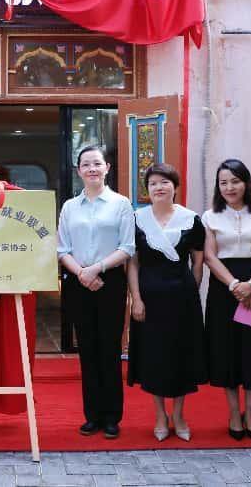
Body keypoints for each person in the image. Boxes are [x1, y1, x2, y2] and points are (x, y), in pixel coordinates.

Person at [58, 145, 134, 439]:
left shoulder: (121, 204)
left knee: (109, 349)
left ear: (107, 168)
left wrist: (97, 268)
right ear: (78, 171)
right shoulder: (70, 207)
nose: (92, 169)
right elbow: (62, 248)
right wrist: (82, 273)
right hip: (78, 282)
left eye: (97, 163)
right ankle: (92, 416)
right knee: (87, 351)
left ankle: (112, 417)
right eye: (86, 164)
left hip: (110, 281)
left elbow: (127, 247)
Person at [127, 163, 205, 442]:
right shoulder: (137, 219)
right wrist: (136, 299)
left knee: (181, 356)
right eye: (153, 183)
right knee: (155, 357)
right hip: (149, 298)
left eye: (165, 182)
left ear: (175, 186)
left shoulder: (191, 219)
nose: (159, 187)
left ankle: (179, 415)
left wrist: (191, 292)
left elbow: (198, 261)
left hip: (182, 297)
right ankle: (160, 415)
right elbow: (132, 263)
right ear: (147, 190)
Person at [202, 159, 251, 442]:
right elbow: (210, 257)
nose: (229, 187)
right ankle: (235, 414)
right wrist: (235, 284)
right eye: (223, 182)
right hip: (224, 288)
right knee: (228, 351)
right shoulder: (210, 216)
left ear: (246, 183)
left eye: (235, 181)